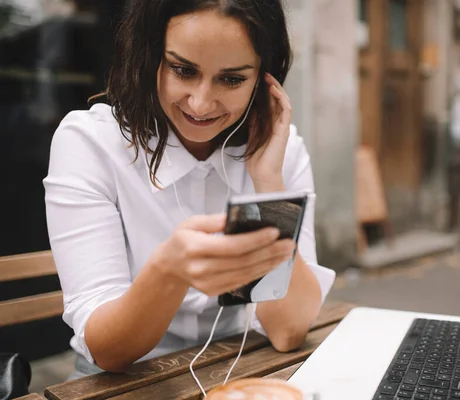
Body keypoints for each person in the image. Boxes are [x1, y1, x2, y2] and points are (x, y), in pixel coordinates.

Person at [43, 0, 335, 379]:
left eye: (231, 79)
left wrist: (268, 189)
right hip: (121, 383)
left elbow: (287, 331)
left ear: (264, 80)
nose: (200, 103)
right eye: (183, 70)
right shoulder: (91, 143)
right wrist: (170, 270)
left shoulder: (281, 150)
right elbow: (107, 351)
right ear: (150, 57)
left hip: (238, 367)